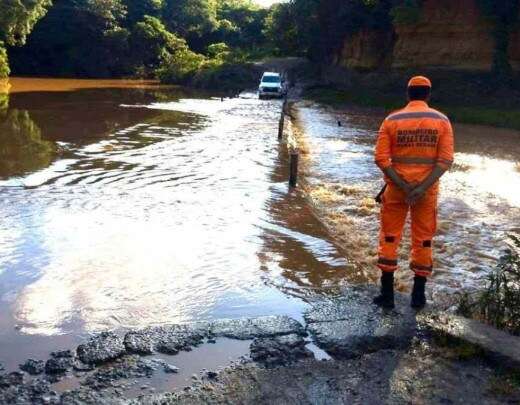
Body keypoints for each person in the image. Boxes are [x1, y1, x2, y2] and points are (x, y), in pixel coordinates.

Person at [373, 76, 454, 309]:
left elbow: (381, 158)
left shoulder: (392, 120)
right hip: (426, 192)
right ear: (428, 95)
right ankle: (418, 297)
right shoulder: (442, 121)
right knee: (424, 240)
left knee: (389, 237)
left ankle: (386, 295)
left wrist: (403, 185)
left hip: (397, 190)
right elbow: (445, 160)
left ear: (408, 94)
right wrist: (420, 188)